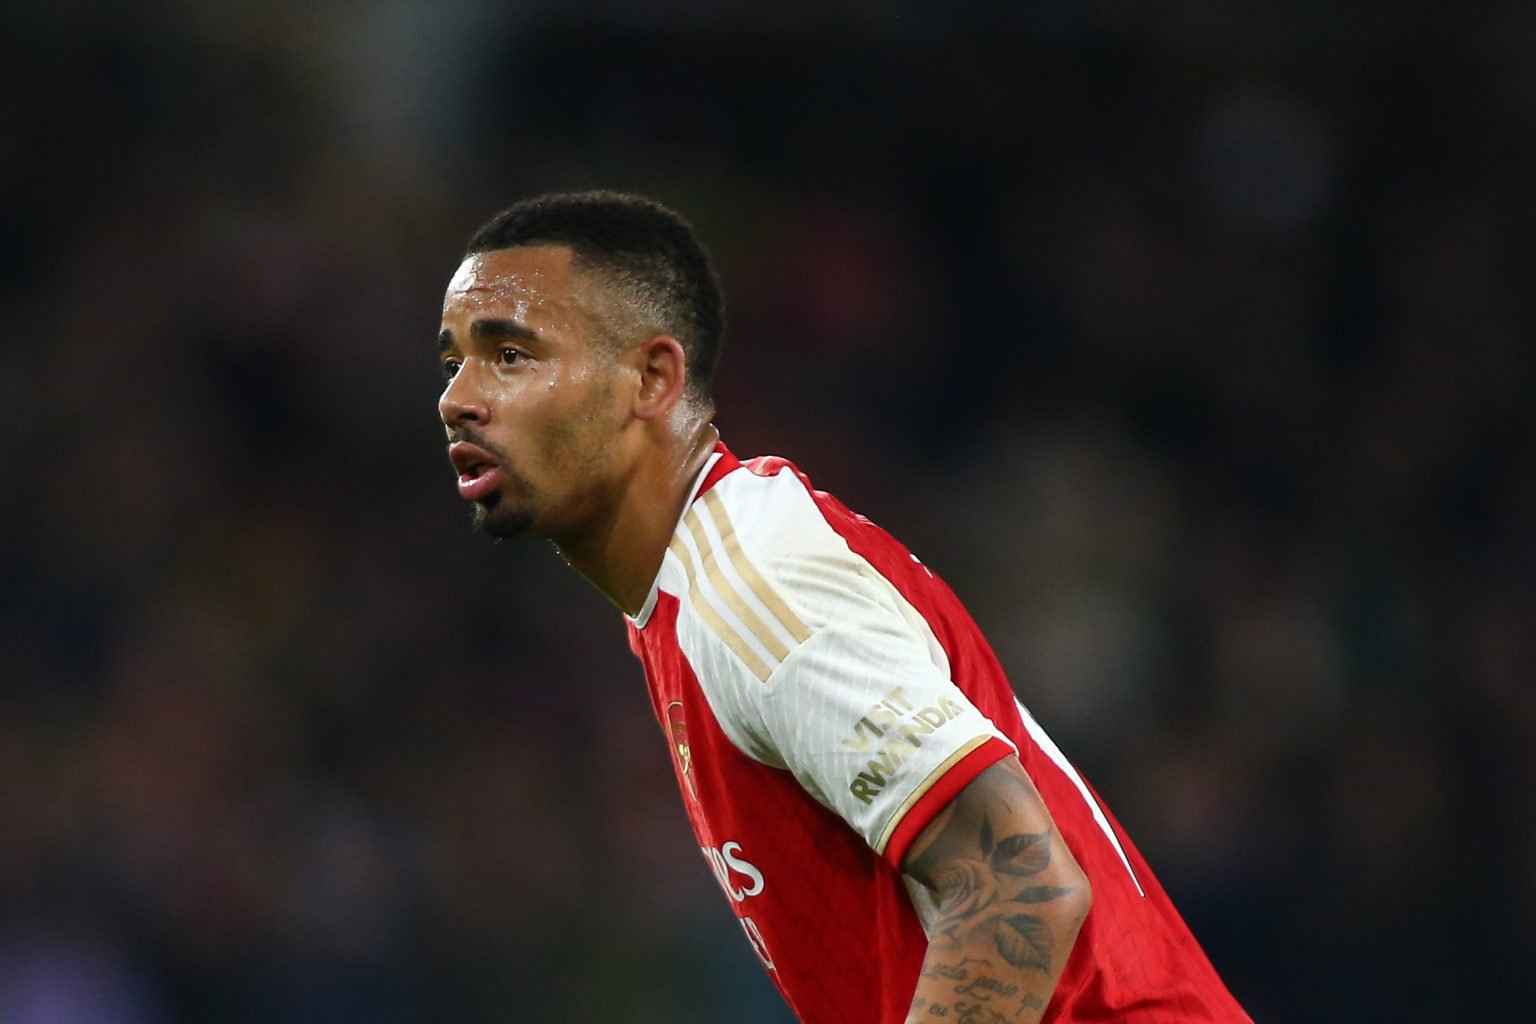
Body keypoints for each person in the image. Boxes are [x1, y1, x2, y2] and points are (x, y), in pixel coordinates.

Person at [434, 190, 1252, 1024]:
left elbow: (1018, 883)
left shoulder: (754, 587)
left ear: (651, 379)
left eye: (511, 357)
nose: (459, 398)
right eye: (453, 362)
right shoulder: (690, 592)